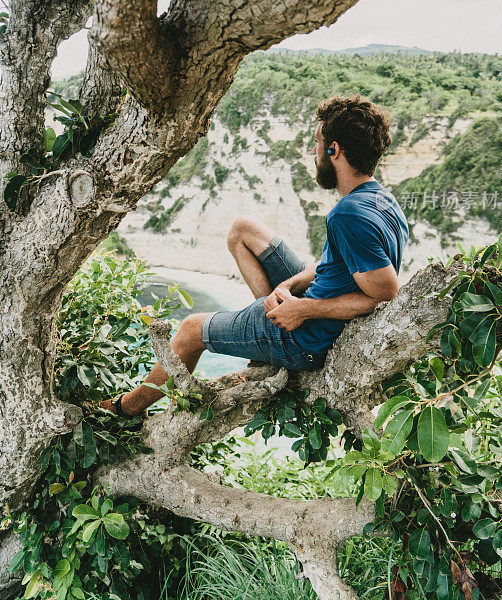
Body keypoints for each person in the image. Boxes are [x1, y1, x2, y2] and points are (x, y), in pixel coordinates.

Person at [101, 94, 409, 416]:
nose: (313, 151)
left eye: (317, 143)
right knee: (242, 230)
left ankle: (125, 408)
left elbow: (386, 295)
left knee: (191, 330)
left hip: (310, 340)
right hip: (316, 308)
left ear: (335, 150)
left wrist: (302, 309)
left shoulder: (347, 215)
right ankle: (270, 321)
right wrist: (286, 288)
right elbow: (336, 264)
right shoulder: (382, 199)